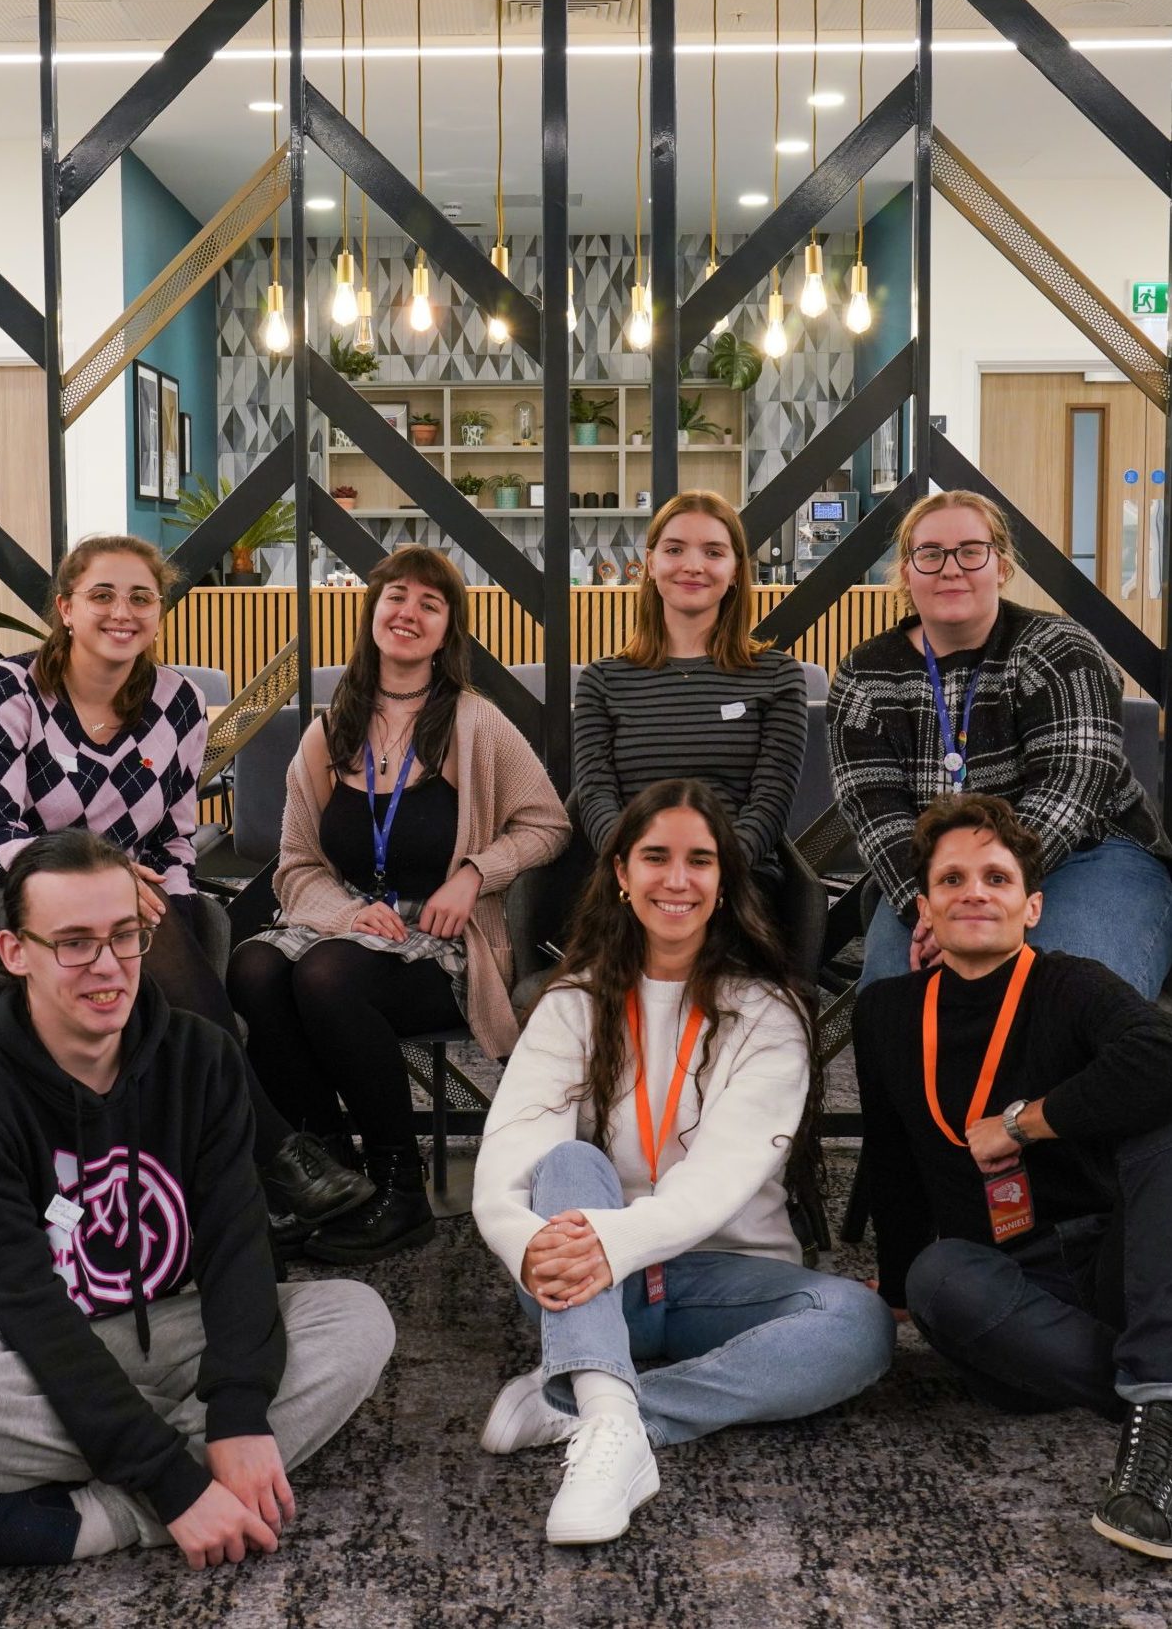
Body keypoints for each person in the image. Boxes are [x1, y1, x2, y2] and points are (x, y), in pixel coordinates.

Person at [0, 830, 395, 1583]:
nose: (107, 967)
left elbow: (239, 1249)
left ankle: (87, 1519)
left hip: (159, 1328)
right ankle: (180, 1482)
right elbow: (28, 1310)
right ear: (16, 952)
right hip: (10, 1350)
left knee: (355, 1318)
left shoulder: (202, 1058)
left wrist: (239, 1411)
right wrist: (177, 1483)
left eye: (124, 936)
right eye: (73, 943)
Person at [473, 779, 894, 1547]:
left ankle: (597, 1409)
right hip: (594, 1288)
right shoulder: (573, 1002)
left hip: (720, 1277)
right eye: (656, 857)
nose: (677, 879)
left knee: (857, 1324)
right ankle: (605, 1414)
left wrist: (607, 1243)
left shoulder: (768, 1013)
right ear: (622, 876)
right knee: (565, 1159)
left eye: (700, 861)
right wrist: (531, 1242)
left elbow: (716, 1186)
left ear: (725, 884)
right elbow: (507, 1153)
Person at [0, 533, 368, 1232]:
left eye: (141, 597)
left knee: (164, 934)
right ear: (65, 607)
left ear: (159, 613)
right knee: (131, 934)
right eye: (102, 594)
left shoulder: (177, 702)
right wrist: (102, 882)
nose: (121, 611)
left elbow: (172, 837)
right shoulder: (8, 691)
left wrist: (175, 896)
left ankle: (186, 1193)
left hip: (126, 892)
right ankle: (271, 1155)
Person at [228, 545, 570, 1265]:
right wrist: (347, 916)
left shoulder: (476, 723)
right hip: (346, 926)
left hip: (444, 942)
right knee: (255, 968)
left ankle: (398, 1186)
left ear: (448, 631)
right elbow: (297, 865)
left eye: (430, 603)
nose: (408, 613)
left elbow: (548, 824)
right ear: (372, 611)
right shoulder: (329, 732)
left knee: (326, 976)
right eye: (396, 597)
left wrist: (475, 873)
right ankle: (329, 1175)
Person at [854, 793, 1172, 1562]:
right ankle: (1154, 1387)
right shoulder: (887, 1012)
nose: (974, 892)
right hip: (1002, 1288)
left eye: (996, 878)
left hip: (1112, 1266)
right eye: (953, 878)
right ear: (923, 907)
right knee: (938, 1278)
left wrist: (1025, 1121)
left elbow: (1163, 1058)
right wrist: (895, 1290)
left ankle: (1156, 1408)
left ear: (1031, 907)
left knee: (1163, 1125)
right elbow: (892, 1161)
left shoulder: (1073, 984)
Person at [829, 488, 1172, 996]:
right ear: (906, 572)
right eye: (930, 554)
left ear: (1002, 565)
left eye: (971, 551)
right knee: (895, 993)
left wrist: (992, 894)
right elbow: (874, 809)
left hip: (1089, 852)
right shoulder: (865, 673)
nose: (951, 569)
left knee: (1062, 995)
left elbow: (1069, 788)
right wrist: (926, 905)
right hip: (930, 873)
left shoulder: (1058, 649)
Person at [573, 489, 806, 881]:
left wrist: (711, 870)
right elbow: (596, 799)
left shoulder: (778, 675)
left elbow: (770, 804)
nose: (693, 565)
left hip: (739, 879)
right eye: (675, 549)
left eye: (713, 552)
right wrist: (640, 867)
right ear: (650, 563)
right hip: (633, 881)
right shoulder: (602, 681)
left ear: (735, 570)